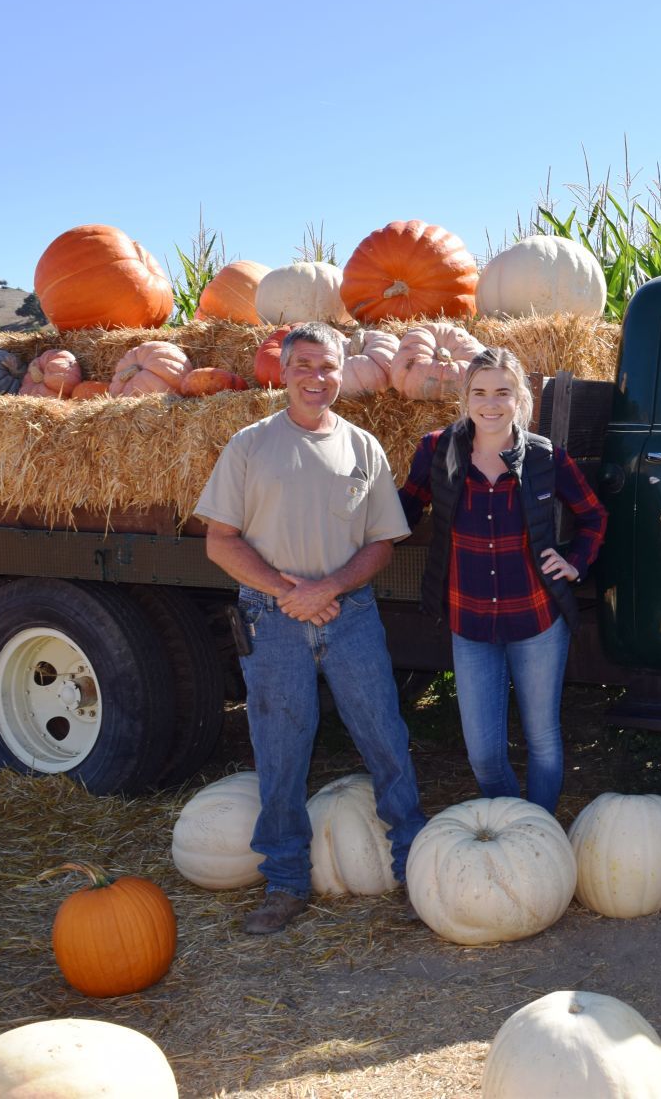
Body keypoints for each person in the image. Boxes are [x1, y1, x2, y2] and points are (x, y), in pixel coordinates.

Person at [195, 322, 426, 935]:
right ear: (284, 370)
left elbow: (383, 542)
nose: (316, 379)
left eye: (328, 368)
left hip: (350, 618)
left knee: (385, 737)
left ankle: (413, 868)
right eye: (304, 367)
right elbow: (220, 541)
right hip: (273, 621)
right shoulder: (250, 446)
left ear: (342, 370)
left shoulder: (362, 447)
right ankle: (286, 881)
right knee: (280, 750)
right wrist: (291, 592)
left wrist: (329, 589)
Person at [397, 347, 606, 814]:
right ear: (466, 398)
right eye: (480, 392)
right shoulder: (439, 449)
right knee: (485, 754)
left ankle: (540, 836)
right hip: (469, 623)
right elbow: (404, 508)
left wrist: (576, 562)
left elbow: (593, 515)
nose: (491, 403)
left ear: (520, 399)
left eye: (502, 392)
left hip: (536, 620)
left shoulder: (545, 457)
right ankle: (515, 824)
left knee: (543, 740)